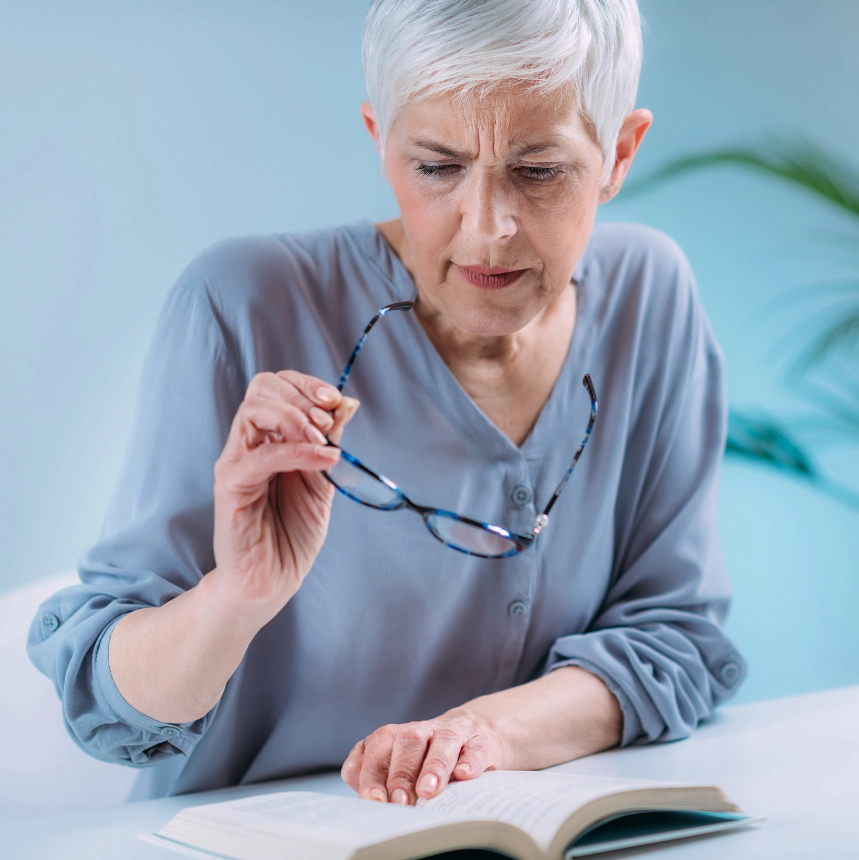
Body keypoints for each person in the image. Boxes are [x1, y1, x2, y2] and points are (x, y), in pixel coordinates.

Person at [28, 0, 746, 806]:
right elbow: (108, 711)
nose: (488, 226)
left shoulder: (651, 298)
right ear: (379, 138)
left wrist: (485, 735)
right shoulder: (241, 304)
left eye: (538, 170)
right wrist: (237, 595)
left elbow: (674, 640)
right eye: (437, 167)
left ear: (618, 153)